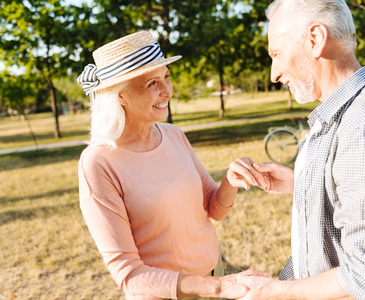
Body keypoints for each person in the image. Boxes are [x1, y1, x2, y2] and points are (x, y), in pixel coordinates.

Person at [228, 1, 365, 299]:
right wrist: (303, 185)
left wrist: (275, 292)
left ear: (315, 40)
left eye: (276, 54)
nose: (274, 73)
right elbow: (356, 195)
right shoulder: (339, 115)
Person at [76, 30, 255, 300]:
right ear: (120, 95)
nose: (167, 91)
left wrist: (231, 179)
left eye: (166, 77)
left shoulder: (173, 135)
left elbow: (213, 209)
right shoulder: (98, 163)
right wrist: (219, 288)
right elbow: (130, 276)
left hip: (214, 274)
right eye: (152, 84)